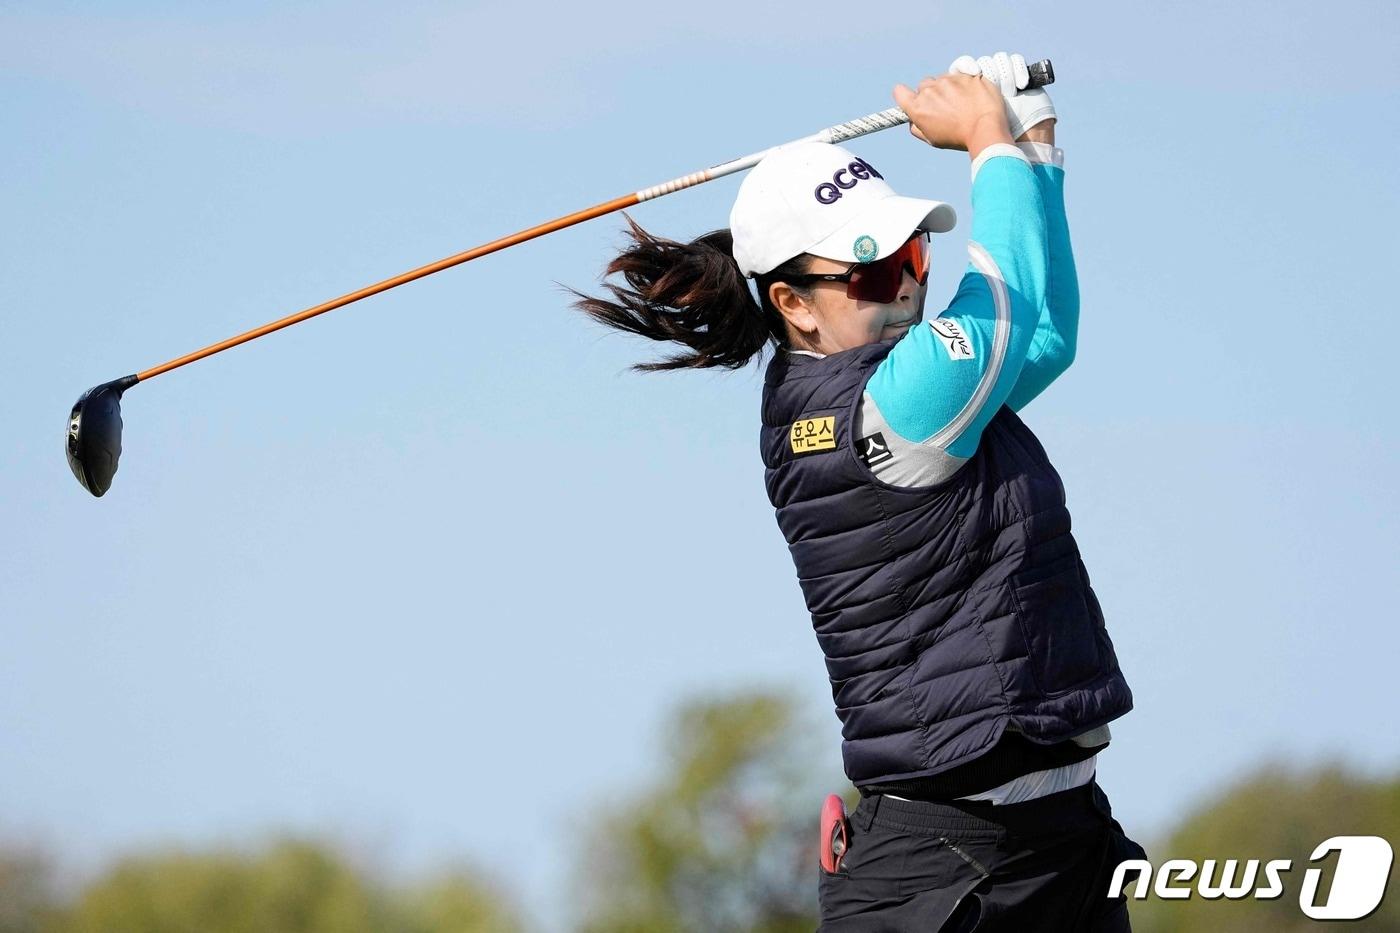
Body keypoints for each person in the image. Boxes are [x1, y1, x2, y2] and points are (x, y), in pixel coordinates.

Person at [572, 52, 1146, 931]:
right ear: (794, 304)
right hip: (946, 870)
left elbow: (1045, 335)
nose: (912, 285)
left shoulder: (916, 387)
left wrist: (1034, 141)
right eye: (876, 273)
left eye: (916, 255)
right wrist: (989, 139)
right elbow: (1009, 302)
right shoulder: (885, 408)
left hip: (1058, 843)